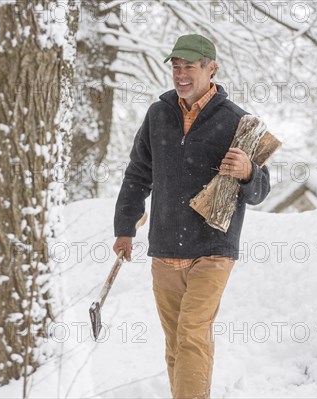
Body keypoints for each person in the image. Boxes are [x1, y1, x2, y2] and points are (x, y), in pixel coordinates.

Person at [112, 34, 271, 398]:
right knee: (176, 342)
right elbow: (138, 173)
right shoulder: (158, 115)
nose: (181, 74)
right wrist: (124, 227)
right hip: (165, 246)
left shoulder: (237, 121)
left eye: (190, 67)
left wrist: (248, 171)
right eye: (176, 67)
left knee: (193, 333)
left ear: (211, 68)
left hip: (213, 248)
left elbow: (261, 191)